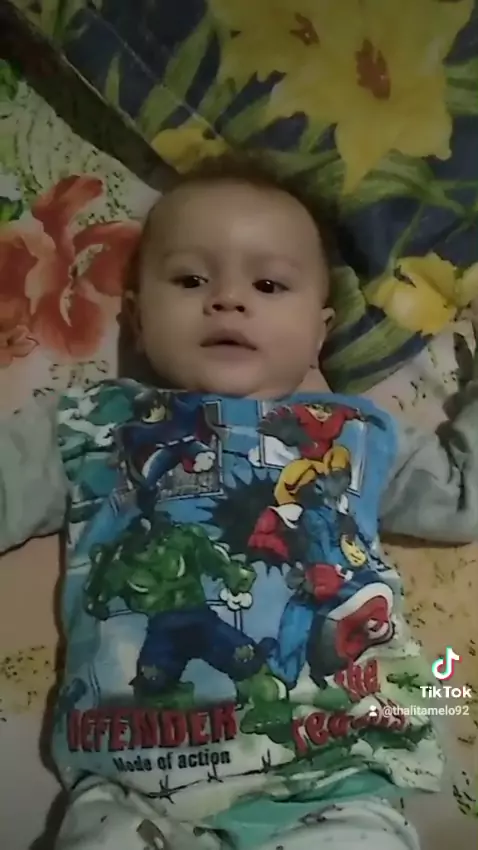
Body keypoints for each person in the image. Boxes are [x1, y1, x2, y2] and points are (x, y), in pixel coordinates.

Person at [1, 153, 477, 850]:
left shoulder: (354, 433)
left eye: (268, 283)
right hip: (133, 786)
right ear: (136, 318)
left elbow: (462, 494)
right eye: (190, 279)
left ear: (318, 332)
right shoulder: (93, 424)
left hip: (336, 776)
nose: (228, 298)